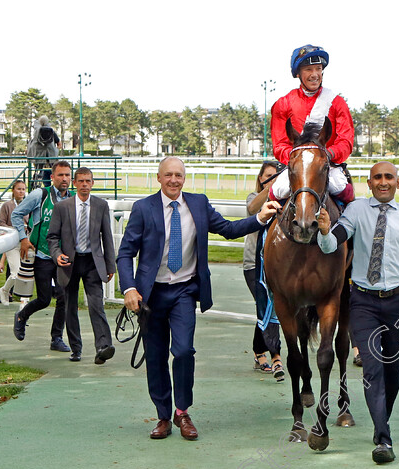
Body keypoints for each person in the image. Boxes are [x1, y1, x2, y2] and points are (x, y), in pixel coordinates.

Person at [117, 157, 280, 441]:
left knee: (182, 351)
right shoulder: (144, 208)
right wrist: (129, 288)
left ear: (184, 178)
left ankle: (183, 412)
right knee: (155, 358)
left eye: (178, 175)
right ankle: (164, 416)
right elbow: (125, 253)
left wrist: (259, 218)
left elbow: (228, 230)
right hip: (151, 295)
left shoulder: (199, 203)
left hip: (184, 292)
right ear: (159, 178)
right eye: (168, 175)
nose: (173, 180)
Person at [316, 161, 399, 464]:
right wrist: (324, 232)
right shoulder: (356, 210)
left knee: (393, 371)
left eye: (389, 177)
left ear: (397, 183)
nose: (383, 182)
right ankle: (383, 438)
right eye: (378, 177)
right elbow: (331, 243)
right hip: (363, 301)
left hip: (398, 303)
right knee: (373, 368)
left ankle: (380, 422)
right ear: (369, 182)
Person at [269, 44, 354, 204]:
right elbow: (279, 145)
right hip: (296, 165)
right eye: (309, 69)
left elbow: (346, 141)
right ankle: (264, 228)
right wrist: (300, 159)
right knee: (277, 190)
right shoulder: (283, 104)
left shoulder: (337, 102)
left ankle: (350, 225)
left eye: (318, 68)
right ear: (298, 74)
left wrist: (328, 155)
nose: (315, 74)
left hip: (327, 165)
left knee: (343, 189)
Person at [46, 167, 116, 363]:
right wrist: (57, 255)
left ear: (93, 183)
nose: (85, 185)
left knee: (96, 305)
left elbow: (107, 238)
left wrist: (110, 266)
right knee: (70, 307)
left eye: (88, 181)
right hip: (70, 262)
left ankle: (103, 347)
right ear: (75, 183)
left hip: (93, 262)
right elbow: (52, 237)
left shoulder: (101, 205)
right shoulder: (62, 207)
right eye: (81, 181)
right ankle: (76, 349)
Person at [11, 161, 73, 351]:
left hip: (63, 257)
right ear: (52, 177)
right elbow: (16, 214)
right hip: (42, 255)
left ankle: (56, 338)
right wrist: (23, 238)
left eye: (67, 175)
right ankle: (22, 315)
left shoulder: (72, 199)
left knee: (64, 298)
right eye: (60, 175)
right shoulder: (41, 194)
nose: (64, 179)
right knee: (45, 299)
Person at [243, 161, 284, 381]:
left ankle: (260, 351)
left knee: (268, 308)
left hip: (277, 265)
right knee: (269, 306)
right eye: (268, 175)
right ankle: (276, 356)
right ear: (261, 178)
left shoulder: (285, 200)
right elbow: (252, 210)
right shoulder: (254, 197)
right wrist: (272, 187)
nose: (272, 178)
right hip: (253, 264)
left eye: (277, 175)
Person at [0, 180, 27, 306]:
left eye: (23, 189)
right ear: (13, 191)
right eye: (18, 189)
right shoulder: (7, 206)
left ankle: (24, 301)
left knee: (27, 273)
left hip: (26, 241)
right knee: (16, 273)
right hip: (12, 242)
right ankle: (4, 290)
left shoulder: (28, 204)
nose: (21, 191)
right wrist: (14, 229)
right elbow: (1, 222)